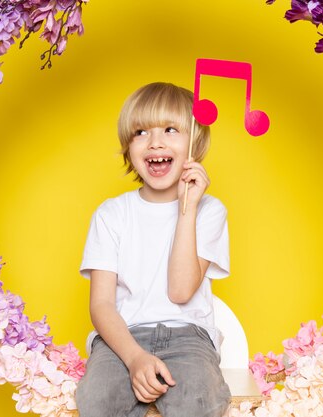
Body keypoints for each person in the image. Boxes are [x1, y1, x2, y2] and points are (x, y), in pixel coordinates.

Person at [76, 82, 231, 417]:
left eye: (171, 130)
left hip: (189, 337)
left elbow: (180, 290)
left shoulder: (209, 211)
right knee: (97, 397)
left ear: (194, 143)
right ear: (128, 147)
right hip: (122, 337)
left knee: (199, 399)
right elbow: (101, 304)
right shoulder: (111, 214)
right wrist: (134, 358)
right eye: (140, 132)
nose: (155, 141)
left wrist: (186, 209)